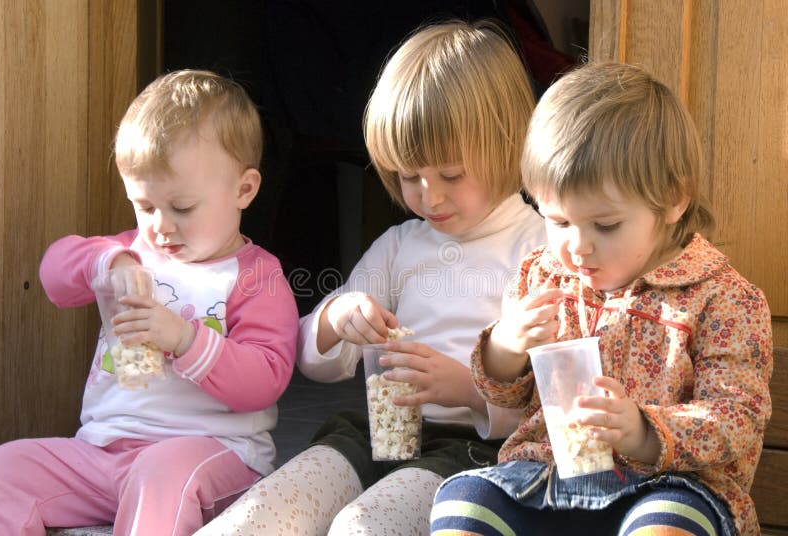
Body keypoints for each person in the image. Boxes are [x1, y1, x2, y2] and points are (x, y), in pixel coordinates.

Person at [196, 19, 547, 535]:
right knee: (259, 514)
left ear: (509, 143)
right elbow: (316, 360)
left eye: (451, 175)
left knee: (364, 526)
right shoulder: (400, 246)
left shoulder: (539, 247)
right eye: (409, 177)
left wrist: (471, 390)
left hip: (476, 452)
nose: (429, 197)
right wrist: (339, 318)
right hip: (376, 433)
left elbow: (556, 401)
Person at [430, 62, 773, 536]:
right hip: (546, 478)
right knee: (463, 504)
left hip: (666, 486)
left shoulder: (722, 298)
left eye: (605, 225)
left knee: (668, 526)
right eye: (559, 221)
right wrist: (505, 348)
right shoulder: (541, 274)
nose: (577, 246)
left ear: (673, 198)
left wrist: (643, 431)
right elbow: (505, 394)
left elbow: (738, 418)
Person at [0, 70, 299, 535]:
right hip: (102, 453)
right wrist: (110, 263)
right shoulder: (129, 255)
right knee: (5, 467)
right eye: (146, 206)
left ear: (244, 190)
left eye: (183, 208)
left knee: (163, 472)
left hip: (212, 454)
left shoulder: (256, 276)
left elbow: (264, 381)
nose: (161, 226)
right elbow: (55, 274)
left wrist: (183, 339)